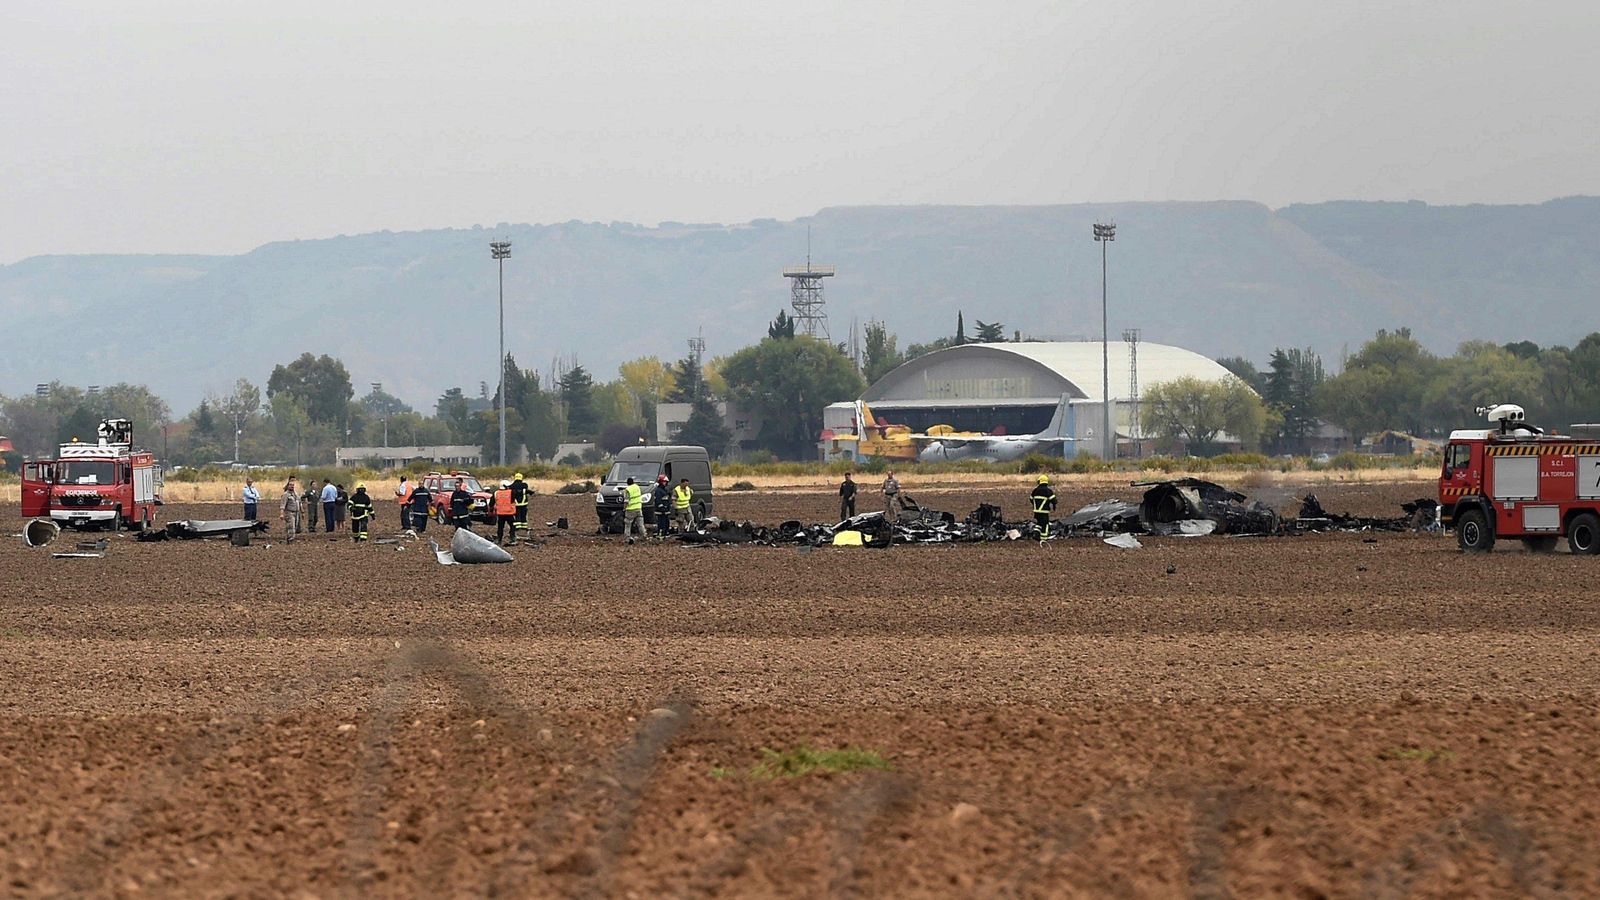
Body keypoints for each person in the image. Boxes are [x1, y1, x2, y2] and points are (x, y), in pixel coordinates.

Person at [1030, 474, 1058, 543]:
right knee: (1045, 525)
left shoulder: (1035, 490)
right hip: (1044, 511)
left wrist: (1035, 505)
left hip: (1036, 511)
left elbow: (1031, 498)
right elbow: (1054, 500)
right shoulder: (1048, 491)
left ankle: (1035, 534)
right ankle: (1044, 539)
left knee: (1039, 523)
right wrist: (1054, 505)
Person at [622, 476, 646, 544]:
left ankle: (627, 537)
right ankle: (644, 535)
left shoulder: (627, 489)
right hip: (638, 508)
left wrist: (624, 508)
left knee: (628, 524)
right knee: (640, 523)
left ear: (627, 483)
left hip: (630, 509)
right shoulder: (637, 487)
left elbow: (626, 500)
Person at [509, 472, 531, 542]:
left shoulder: (512, 486)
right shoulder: (524, 485)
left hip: (516, 505)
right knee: (523, 516)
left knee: (517, 516)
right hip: (524, 505)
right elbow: (529, 491)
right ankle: (524, 528)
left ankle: (517, 529)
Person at [493, 480, 516, 545]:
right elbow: (513, 499)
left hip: (500, 514)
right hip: (509, 513)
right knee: (512, 526)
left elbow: (492, 503)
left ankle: (499, 539)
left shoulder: (496, 493)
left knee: (500, 527)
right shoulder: (511, 492)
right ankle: (512, 538)